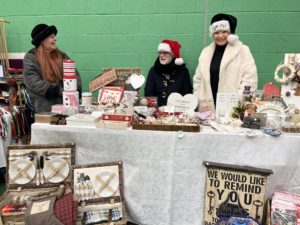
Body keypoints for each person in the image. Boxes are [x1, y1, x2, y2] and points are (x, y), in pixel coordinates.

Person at [193, 13, 257, 109]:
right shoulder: (205, 53)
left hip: (233, 109)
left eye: (224, 32)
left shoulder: (242, 50)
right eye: (216, 32)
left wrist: (238, 100)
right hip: (207, 109)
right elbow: (198, 80)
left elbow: (250, 80)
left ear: (230, 33)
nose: (220, 36)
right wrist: (199, 99)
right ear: (212, 34)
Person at [23, 23, 82, 113]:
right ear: (42, 40)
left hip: (68, 105)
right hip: (45, 108)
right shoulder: (31, 58)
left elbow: (74, 74)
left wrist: (75, 91)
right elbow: (34, 82)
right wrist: (58, 91)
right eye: (51, 37)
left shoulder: (62, 56)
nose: (55, 39)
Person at [144, 39, 193, 107]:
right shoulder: (153, 71)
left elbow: (187, 94)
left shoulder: (183, 71)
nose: (161, 55)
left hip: (178, 112)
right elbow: (149, 94)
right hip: (157, 113)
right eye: (160, 53)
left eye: (165, 53)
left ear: (173, 55)